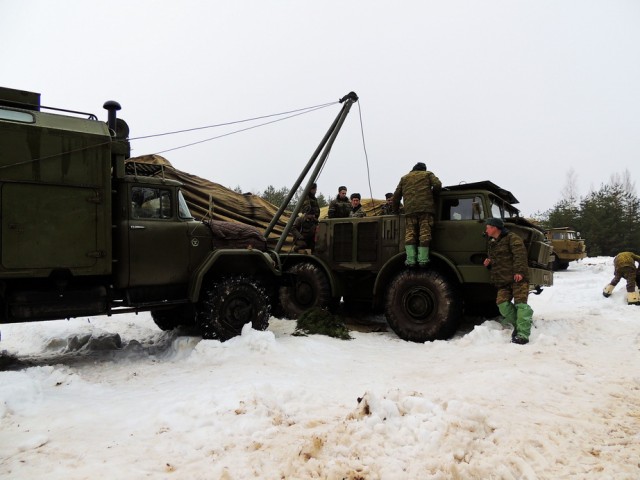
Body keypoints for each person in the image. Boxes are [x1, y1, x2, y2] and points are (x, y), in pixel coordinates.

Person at [483, 217, 533, 345]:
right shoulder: (493, 242)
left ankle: (523, 335)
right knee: (502, 305)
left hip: (518, 278)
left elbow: (520, 255)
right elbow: (498, 260)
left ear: (494, 227)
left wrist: (519, 272)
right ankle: (520, 324)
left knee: (521, 305)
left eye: (488, 227)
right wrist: (489, 263)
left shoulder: (512, 238)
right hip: (503, 280)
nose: (486, 229)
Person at [393, 162, 441, 266]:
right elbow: (437, 185)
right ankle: (423, 260)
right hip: (425, 210)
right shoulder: (428, 174)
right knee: (424, 234)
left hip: (410, 211)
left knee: (410, 234)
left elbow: (396, 196)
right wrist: (433, 195)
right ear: (424, 169)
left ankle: (411, 260)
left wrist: (395, 210)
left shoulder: (404, 178)